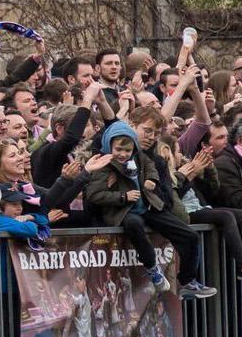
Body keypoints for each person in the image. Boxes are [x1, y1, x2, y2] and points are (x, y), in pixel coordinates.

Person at [83, 120, 213, 301]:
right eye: (118, 149)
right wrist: (123, 197)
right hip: (123, 212)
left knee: (189, 235)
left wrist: (152, 180)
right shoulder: (103, 164)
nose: (123, 154)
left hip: (148, 206)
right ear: (109, 145)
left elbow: (151, 167)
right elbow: (94, 195)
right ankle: (153, 269)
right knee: (134, 224)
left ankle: (187, 281)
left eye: (127, 151)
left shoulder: (139, 157)